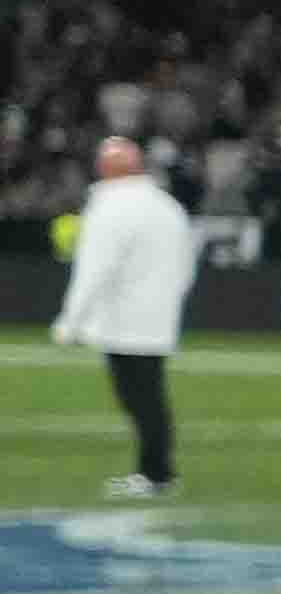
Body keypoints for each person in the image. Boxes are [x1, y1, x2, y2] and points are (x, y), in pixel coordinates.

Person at [64, 137, 196, 497]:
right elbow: (186, 263)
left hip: (122, 318)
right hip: (157, 315)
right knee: (148, 395)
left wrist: (72, 320)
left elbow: (94, 268)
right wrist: (169, 299)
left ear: (104, 168)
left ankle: (156, 474)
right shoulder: (167, 206)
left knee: (139, 398)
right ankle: (156, 472)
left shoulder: (110, 207)